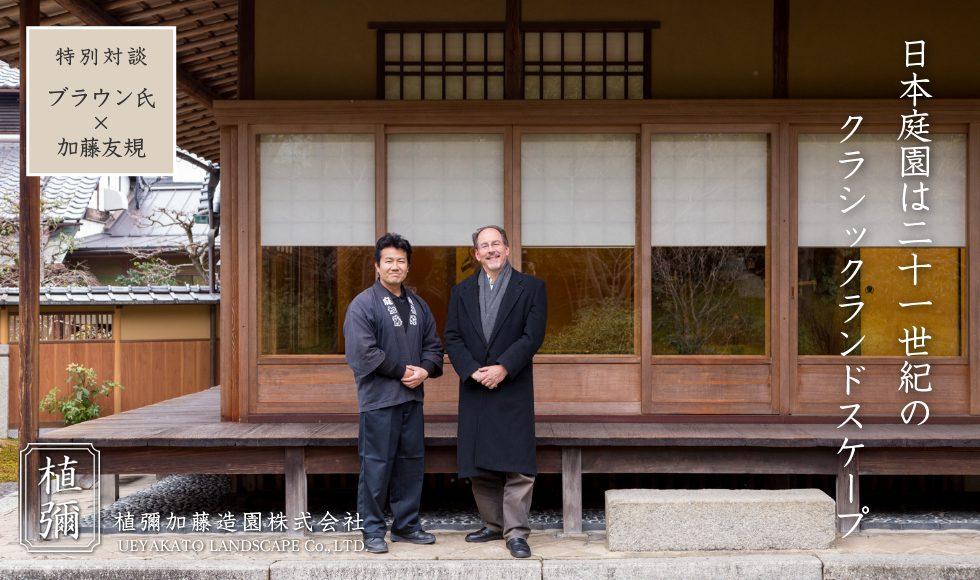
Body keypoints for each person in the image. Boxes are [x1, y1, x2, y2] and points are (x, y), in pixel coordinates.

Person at [444, 225, 547, 559]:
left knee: (517, 463)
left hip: (512, 384)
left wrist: (503, 367)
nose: (491, 250)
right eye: (484, 246)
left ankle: (516, 532)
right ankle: (493, 524)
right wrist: (471, 370)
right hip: (476, 385)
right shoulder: (461, 291)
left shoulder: (531, 288)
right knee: (480, 462)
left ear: (507, 248)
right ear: (476, 254)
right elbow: (452, 336)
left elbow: (532, 336)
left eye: (496, 244)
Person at [343, 233, 444, 554]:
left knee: (410, 464)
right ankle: (372, 530)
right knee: (376, 465)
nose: (395, 266)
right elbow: (363, 353)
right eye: (388, 261)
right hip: (379, 401)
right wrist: (402, 372)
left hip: (412, 400)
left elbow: (434, 347)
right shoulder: (363, 304)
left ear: (408, 267)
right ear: (377, 266)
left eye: (401, 261)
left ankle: (406, 525)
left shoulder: (418, 304)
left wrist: (425, 370)